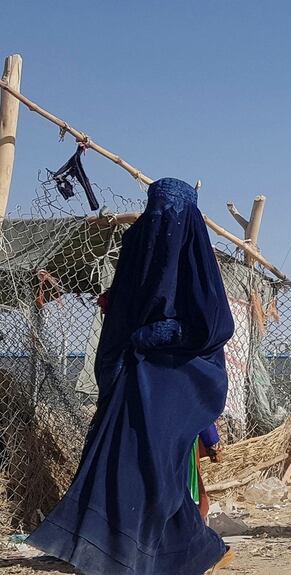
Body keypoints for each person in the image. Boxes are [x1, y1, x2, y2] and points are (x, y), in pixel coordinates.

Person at [27, 178, 236, 574]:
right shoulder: (139, 244)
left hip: (179, 380)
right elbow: (124, 312)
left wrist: (160, 333)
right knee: (123, 459)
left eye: (172, 214)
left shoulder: (196, 261)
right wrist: (127, 348)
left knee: (157, 466)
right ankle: (137, 548)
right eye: (158, 212)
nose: (164, 224)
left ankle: (146, 549)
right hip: (130, 373)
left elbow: (213, 325)